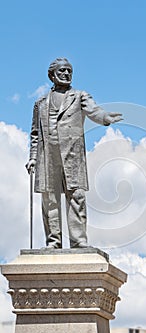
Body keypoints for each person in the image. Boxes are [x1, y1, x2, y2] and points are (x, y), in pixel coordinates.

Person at [26, 58, 122, 249]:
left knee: (76, 196)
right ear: (52, 75)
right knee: (50, 199)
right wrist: (33, 158)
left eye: (69, 70)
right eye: (62, 70)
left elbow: (94, 111)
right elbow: (35, 134)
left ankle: (78, 242)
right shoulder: (41, 103)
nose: (67, 74)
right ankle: (53, 242)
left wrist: (105, 117)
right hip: (48, 157)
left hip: (72, 155)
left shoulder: (79, 96)